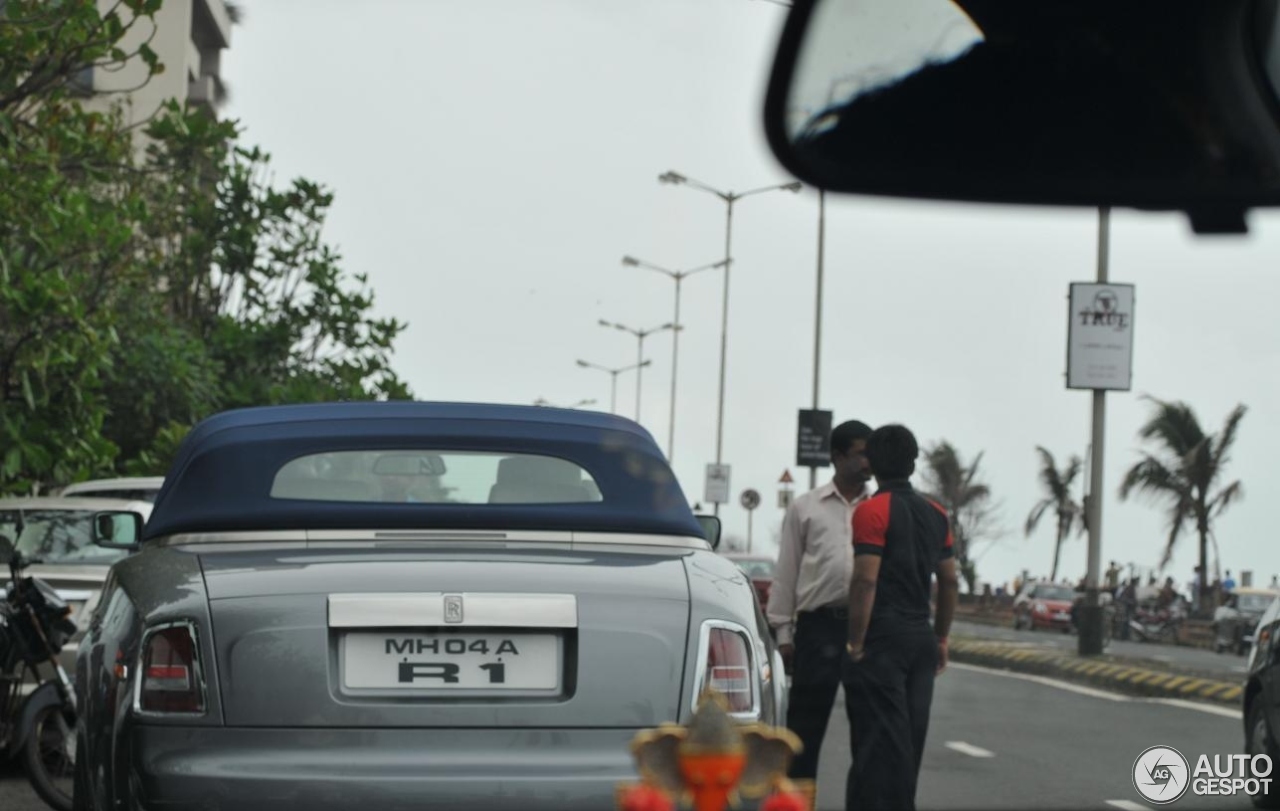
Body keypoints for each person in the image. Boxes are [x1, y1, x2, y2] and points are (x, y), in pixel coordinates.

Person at [842, 424, 959, 811]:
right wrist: (941, 638)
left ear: (872, 463)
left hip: (882, 640)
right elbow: (949, 581)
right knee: (909, 743)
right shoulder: (937, 514)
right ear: (913, 462)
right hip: (921, 640)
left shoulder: (871, 512)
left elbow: (864, 581)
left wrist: (855, 641)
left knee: (876, 744)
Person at [766, 419, 874, 782]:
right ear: (837, 456)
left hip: (867, 628)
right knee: (803, 733)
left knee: (869, 731)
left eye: (869, 454)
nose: (867, 463)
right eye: (860, 454)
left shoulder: (878, 509)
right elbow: (787, 573)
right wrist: (783, 634)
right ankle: (794, 804)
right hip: (818, 628)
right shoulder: (805, 508)